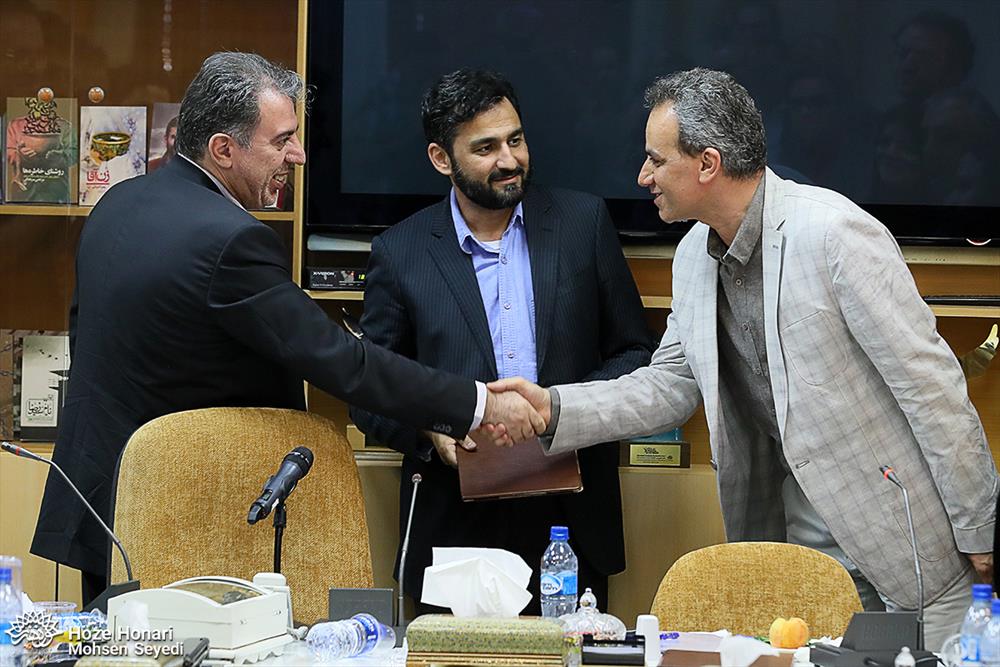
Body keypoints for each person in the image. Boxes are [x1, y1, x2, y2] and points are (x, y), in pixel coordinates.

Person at [492, 68, 997, 650]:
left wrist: (981, 525)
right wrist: (551, 407)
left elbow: (931, 387)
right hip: (804, 555)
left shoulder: (833, 233)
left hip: (908, 544)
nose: (642, 177)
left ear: (707, 164)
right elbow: (669, 384)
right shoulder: (691, 256)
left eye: (656, 160)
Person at [30, 53, 543, 605]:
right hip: (184, 516)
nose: (298, 155)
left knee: (121, 647)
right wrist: (479, 404)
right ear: (223, 149)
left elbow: (87, 339)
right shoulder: (229, 240)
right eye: (282, 141)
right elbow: (343, 362)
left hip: (102, 505)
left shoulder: (119, 202)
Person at [349, 69, 653, 614]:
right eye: (486, 148)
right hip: (455, 531)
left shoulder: (583, 223)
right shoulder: (401, 251)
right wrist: (431, 432)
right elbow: (370, 391)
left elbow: (635, 353)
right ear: (441, 158)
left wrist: (561, 409)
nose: (510, 160)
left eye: (515, 140)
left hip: (570, 525)